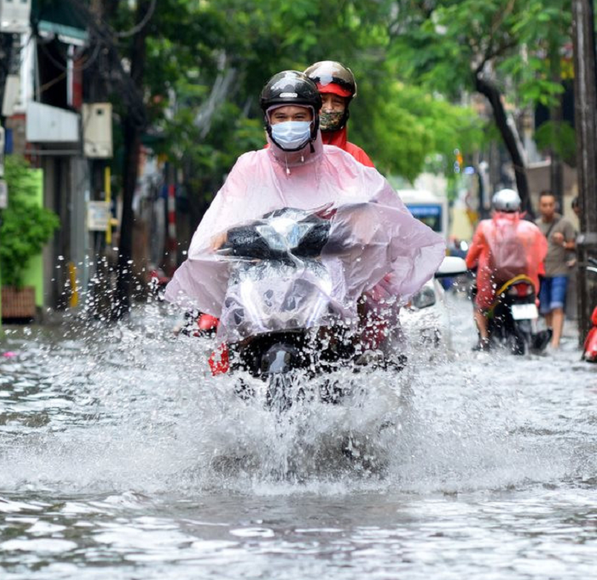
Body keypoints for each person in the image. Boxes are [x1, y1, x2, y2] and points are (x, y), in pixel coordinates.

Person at [164, 70, 444, 365]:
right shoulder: (249, 167)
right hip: (262, 287)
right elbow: (220, 226)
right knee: (228, 348)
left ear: (313, 119)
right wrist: (228, 238)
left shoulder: (343, 164)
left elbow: (371, 220)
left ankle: (360, 375)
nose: (289, 125)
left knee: (364, 334)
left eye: (298, 117)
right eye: (280, 117)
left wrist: (358, 230)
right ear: (268, 122)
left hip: (328, 286)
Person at [465, 189, 547, 351]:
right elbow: (540, 255)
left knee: (480, 306)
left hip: (493, 282)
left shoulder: (485, 227)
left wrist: (468, 264)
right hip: (524, 282)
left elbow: (472, 256)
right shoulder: (530, 229)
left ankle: (484, 339)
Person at [303, 60, 374, 167]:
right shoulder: (279, 153)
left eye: (337, 102)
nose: (329, 108)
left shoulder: (357, 158)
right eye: (322, 101)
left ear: (346, 108)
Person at [536, 191, 576, 349]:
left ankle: (555, 342)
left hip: (560, 271)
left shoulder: (564, 224)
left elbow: (574, 245)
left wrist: (563, 243)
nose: (548, 208)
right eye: (544, 205)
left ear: (555, 205)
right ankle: (550, 334)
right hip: (542, 272)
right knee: (546, 309)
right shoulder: (536, 225)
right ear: (539, 206)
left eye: (550, 204)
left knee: (557, 306)